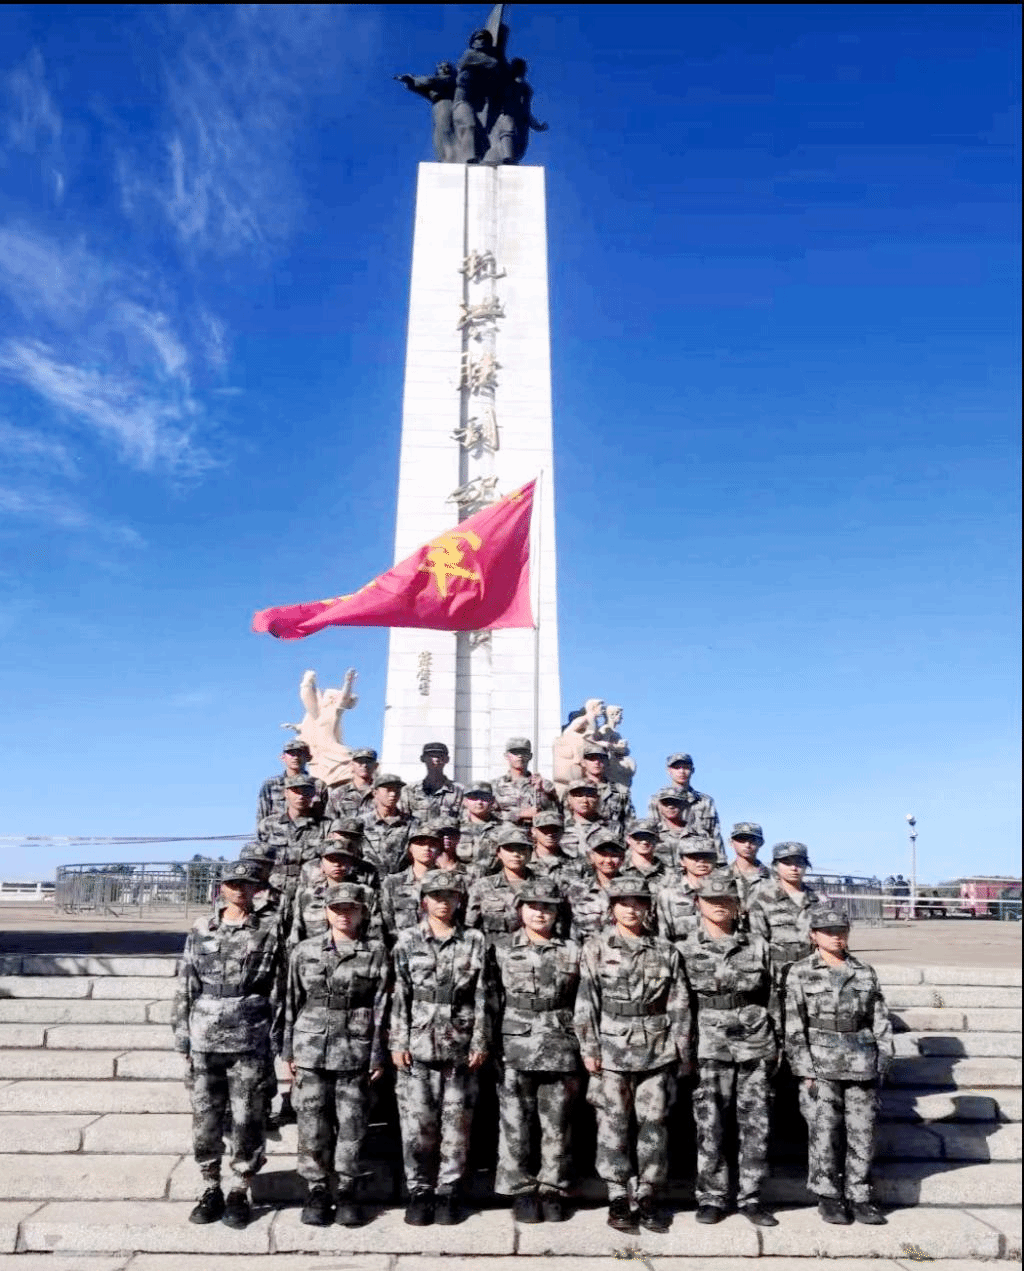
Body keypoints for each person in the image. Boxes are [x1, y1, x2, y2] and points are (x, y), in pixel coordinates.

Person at [574, 877, 691, 1234]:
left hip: (657, 1049)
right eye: (623, 902)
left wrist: (681, 1049)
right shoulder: (596, 947)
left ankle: (649, 1193)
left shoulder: (666, 950)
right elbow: (586, 1000)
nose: (631, 909)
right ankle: (617, 1195)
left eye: (638, 902)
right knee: (612, 1123)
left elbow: (679, 1003)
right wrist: (589, 1047)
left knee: (654, 1123)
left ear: (648, 908)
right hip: (611, 1049)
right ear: (612, 908)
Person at [172, 859, 284, 1229]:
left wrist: (277, 1038)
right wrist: (182, 1037)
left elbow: (279, 988)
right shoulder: (201, 928)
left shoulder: (269, 930)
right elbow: (186, 983)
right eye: (233, 883)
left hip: (250, 1037)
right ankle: (210, 1187)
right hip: (205, 1037)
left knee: (248, 1117)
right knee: (206, 1119)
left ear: (257, 889)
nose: (239, 890)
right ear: (222, 887)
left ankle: (239, 1189)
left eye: (247, 884)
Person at [283, 882, 389, 1228]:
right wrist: (288, 1049)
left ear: (362, 913)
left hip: (355, 1049)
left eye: (351, 909)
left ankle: (346, 1189)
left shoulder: (375, 951)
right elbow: (291, 1000)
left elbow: (382, 1006)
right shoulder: (304, 950)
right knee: (311, 1123)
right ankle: (316, 1189)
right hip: (311, 1049)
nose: (344, 915)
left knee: (352, 1123)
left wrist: (377, 1054)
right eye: (337, 908)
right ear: (326, 912)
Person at [677, 871, 779, 1227]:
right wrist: (684, 1050)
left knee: (756, 1123)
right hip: (709, 1045)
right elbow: (680, 1003)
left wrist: (776, 1043)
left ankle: (751, 1197)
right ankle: (712, 1196)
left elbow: (774, 996)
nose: (720, 906)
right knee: (710, 1124)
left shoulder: (758, 946)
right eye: (712, 900)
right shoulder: (685, 949)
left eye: (727, 901)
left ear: (738, 906)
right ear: (698, 904)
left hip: (754, 1043)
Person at [389, 870, 490, 1226]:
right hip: (418, 1044)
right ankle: (419, 1190)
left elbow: (483, 993)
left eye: (450, 896)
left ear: (460, 900)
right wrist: (397, 1040)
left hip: (460, 1045)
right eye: (436, 896)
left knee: (457, 1125)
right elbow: (399, 993)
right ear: (424, 902)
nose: (443, 902)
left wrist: (480, 1039)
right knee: (417, 1125)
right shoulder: (407, 940)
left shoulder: (475, 940)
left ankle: (448, 1190)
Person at [785, 905, 893, 1226]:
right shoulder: (800, 972)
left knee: (863, 1131)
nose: (836, 936)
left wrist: (884, 1059)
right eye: (828, 931)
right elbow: (794, 1023)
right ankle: (828, 1195)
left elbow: (879, 1019)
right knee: (824, 1131)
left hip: (861, 1061)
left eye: (841, 931)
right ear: (813, 935)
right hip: (820, 1063)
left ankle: (860, 1195)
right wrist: (803, 1068)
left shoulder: (864, 971)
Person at [493, 880, 581, 1222]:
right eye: (533, 906)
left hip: (560, 1042)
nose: (540, 913)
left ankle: (552, 1187)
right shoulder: (501, 949)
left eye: (547, 907)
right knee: (515, 1122)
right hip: (514, 1044)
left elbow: (583, 1002)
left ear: (557, 913)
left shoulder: (573, 950)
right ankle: (521, 1190)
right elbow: (490, 1000)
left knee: (557, 1122)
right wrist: (488, 1043)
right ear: (520, 910)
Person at [290, 834, 383, 947]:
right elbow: (297, 932)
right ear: (321, 865)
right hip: (314, 954)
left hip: (356, 953)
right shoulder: (308, 895)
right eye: (331, 859)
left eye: (343, 859)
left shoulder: (366, 893)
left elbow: (375, 932)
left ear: (351, 863)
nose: (337, 864)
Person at [748, 843, 824, 974]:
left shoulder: (819, 901)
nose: (794, 868)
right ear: (775, 866)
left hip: (814, 973)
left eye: (799, 863)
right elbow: (757, 944)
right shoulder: (763, 900)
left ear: (806, 866)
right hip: (778, 974)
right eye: (787, 863)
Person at [466, 824, 540, 948]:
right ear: (499, 853)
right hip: (495, 953)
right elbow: (471, 928)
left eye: (522, 849)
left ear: (530, 853)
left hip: (532, 952)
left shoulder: (544, 886)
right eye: (510, 849)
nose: (516, 854)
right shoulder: (482, 886)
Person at [260, 774, 328, 904]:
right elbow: (259, 860)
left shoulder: (325, 826)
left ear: (313, 794)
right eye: (296, 791)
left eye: (306, 792)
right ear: (286, 793)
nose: (301, 796)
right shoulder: (268, 824)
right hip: (275, 890)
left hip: (310, 890)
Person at [647, 753, 724, 858]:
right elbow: (652, 832)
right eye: (677, 768)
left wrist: (721, 860)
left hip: (698, 857)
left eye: (686, 768)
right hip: (666, 857)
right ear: (669, 770)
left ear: (692, 770)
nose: (682, 771)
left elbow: (715, 833)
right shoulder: (657, 800)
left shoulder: (705, 801)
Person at [380, 823, 444, 942]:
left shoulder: (447, 883)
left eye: (432, 844)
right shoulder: (392, 883)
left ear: (439, 850)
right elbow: (386, 921)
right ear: (410, 848)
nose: (426, 848)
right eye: (420, 843)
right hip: (402, 946)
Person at [656, 837, 721, 949]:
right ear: (682, 861)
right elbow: (663, 939)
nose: (701, 861)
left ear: (715, 859)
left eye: (707, 856)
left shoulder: (728, 894)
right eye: (693, 856)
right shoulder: (668, 896)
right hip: (683, 956)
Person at [565, 831, 627, 943]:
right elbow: (569, 927)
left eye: (614, 855)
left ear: (622, 858)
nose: (608, 861)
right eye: (602, 854)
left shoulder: (632, 890)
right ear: (591, 857)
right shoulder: (577, 890)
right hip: (586, 949)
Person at [256, 738, 327, 825]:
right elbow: (262, 818)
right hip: (278, 832)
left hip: (310, 830)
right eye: (291, 754)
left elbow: (327, 816)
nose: (295, 757)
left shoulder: (318, 785)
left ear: (308, 757)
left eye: (300, 753)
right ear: (283, 757)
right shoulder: (271, 785)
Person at [493, 737, 558, 824]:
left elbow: (555, 812)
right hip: (505, 830)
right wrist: (519, 814)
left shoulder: (544, 785)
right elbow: (489, 814)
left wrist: (541, 791)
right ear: (506, 756)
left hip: (535, 830)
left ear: (530, 756)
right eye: (515, 752)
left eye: (524, 752)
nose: (520, 756)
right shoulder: (495, 785)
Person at [574, 743, 634, 836]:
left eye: (601, 758)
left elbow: (630, 821)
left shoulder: (620, 791)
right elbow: (566, 818)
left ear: (607, 762)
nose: (596, 762)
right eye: (591, 759)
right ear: (583, 762)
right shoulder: (574, 789)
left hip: (613, 840)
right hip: (582, 838)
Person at [361, 773, 414, 876]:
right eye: (388, 790)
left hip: (400, 880)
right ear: (375, 793)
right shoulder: (362, 823)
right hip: (369, 880)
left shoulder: (411, 823)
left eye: (397, 790)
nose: (393, 794)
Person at [400, 742, 465, 824]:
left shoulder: (459, 791)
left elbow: (464, 821)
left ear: (447, 759)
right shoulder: (410, 790)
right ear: (422, 758)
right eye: (431, 756)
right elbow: (403, 821)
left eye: (440, 756)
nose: (436, 760)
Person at [458, 781, 505, 873]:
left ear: (492, 801)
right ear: (465, 801)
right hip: (462, 878)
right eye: (474, 798)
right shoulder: (456, 828)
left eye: (484, 798)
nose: (479, 802)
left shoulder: (504, 828)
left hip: (494, 878)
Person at [620, 820, 669, 903]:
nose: (644, 842)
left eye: (649, 837)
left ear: (657, 840)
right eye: (638, 837)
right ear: (628, 839)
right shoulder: (618, 871)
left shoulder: (668, 873)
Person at [529, 809, 581, 888]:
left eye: (555, 830)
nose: (550, 834)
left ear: (562, 831)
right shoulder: (523, 862)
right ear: (533, 831)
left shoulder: (576, 864)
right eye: (544, 829)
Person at [560, 779, 607, 859]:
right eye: (579, 795)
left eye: (590, 795)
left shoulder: (610, 827)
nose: (585, 800)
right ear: (569, 799)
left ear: (597, 799)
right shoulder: (560, 827)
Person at [729, 822, 771, 910]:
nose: (747, 845)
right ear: (731, 843)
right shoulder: (720, 875)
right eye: (741, 840)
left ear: (761, 843)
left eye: (753, 840)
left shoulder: (773, 877)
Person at [327, 748, 379, 819]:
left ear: (376, 766)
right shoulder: (338, 794)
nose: (364, 765)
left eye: (368, 762)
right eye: (360, 762)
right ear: (352, 765)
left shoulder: (381, 793)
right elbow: (329, 821)